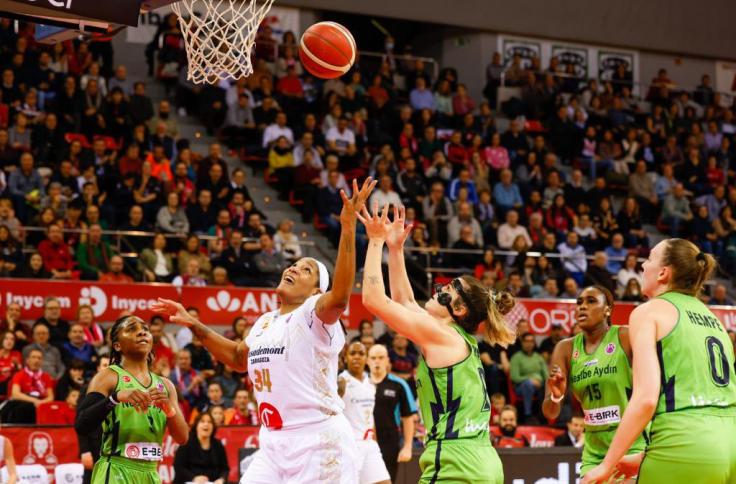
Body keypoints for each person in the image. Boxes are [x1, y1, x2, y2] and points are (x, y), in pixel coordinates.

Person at [153, 178, 376, 483]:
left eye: (306, 269)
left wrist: (347, 226)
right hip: (273, 441)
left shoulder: (313, 315)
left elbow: (339, 296)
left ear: (315, 292)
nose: (293, 268)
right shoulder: (265, 321)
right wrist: (194, 325)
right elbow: (236, 357)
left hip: (318, 440)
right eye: (294, 264)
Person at [359, 205, 516, 483]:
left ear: (460, 309)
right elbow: (404, 302)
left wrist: (375, 241)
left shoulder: (442, 335)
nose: (441, 288)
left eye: (450, 289)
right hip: (483, 461)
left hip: (456, 463)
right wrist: (395, 250)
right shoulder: (454, 336)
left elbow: (373, 299)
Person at [582, 240, 736, 483]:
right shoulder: (714, 320)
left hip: (685, 445)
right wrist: (644, 456)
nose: (643, 265)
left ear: (663, 272)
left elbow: (646, 398)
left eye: (651, 258)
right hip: (730, 443)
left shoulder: (649, 312)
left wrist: (607, 463)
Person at [543, 285, 645, 478]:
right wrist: (556, 396)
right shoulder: (565, 349)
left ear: (607, 309)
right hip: (594, 450)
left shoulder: (625, 336)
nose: (582, 306)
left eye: (591, 301)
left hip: (633, 443)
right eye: (579, 302)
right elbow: (550, 413)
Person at [75, 315, 188, 484]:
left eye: (145, 329)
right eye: (131, 329)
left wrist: (169, 409)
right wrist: (115, 397)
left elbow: (182, 438)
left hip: (151, 472)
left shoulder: (166, 385)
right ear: (117, 345)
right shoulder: (108, 377)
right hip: (116, 470)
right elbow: (82, 424)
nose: (142, 332)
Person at [338, 342, 391, 484]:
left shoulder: (370, 383)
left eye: (361, 354)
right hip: (349, 445)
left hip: (369, 444)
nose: (356, 357)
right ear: (345, 357)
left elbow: (370, 416)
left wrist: (375, 442)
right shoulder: (341, 382)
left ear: (366, 358)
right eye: (352, 353)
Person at [368, 344, 416, 483]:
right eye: (373, 358)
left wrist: (407, 446)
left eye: (381, 357)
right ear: (368, 361)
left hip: (389, 441)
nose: (377, 361)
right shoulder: (358, 383)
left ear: (388, 360)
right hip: (363, 440)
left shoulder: (399, 384)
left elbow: (407, 417)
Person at [173, 412, 229, 484]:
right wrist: (194, 478)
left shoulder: (218, 445)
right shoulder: (186, 443)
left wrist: (222, 479)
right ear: (196, 425)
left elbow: (225, 469)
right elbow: (178, 467)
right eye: (202, 421)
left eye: (210, 422)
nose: (206, 424)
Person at [5, 348, 55, 423]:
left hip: (42, 402)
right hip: (25, 401)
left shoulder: (46, 376)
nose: (36, 360)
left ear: (42, 361)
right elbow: (15, 394)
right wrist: (35, 401)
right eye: (33, 357)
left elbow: (51, 397)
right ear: (27, 360)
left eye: (39, 358)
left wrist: (41, 403)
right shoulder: (19, 375)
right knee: (21, 408)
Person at [510, 333, 547, 423]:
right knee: (528, 384)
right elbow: (514, 377)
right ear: (522, 342)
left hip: (539, 385)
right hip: (521, 386)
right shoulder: (516, 357)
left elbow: (546, 375)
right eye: (527, 341)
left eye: (531, 341)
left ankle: (544, 415)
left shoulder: (538, 357)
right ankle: (528, 415)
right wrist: (530, 379)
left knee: (547, 386)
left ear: (534, 343)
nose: (529, 344)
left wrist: (541, 382)